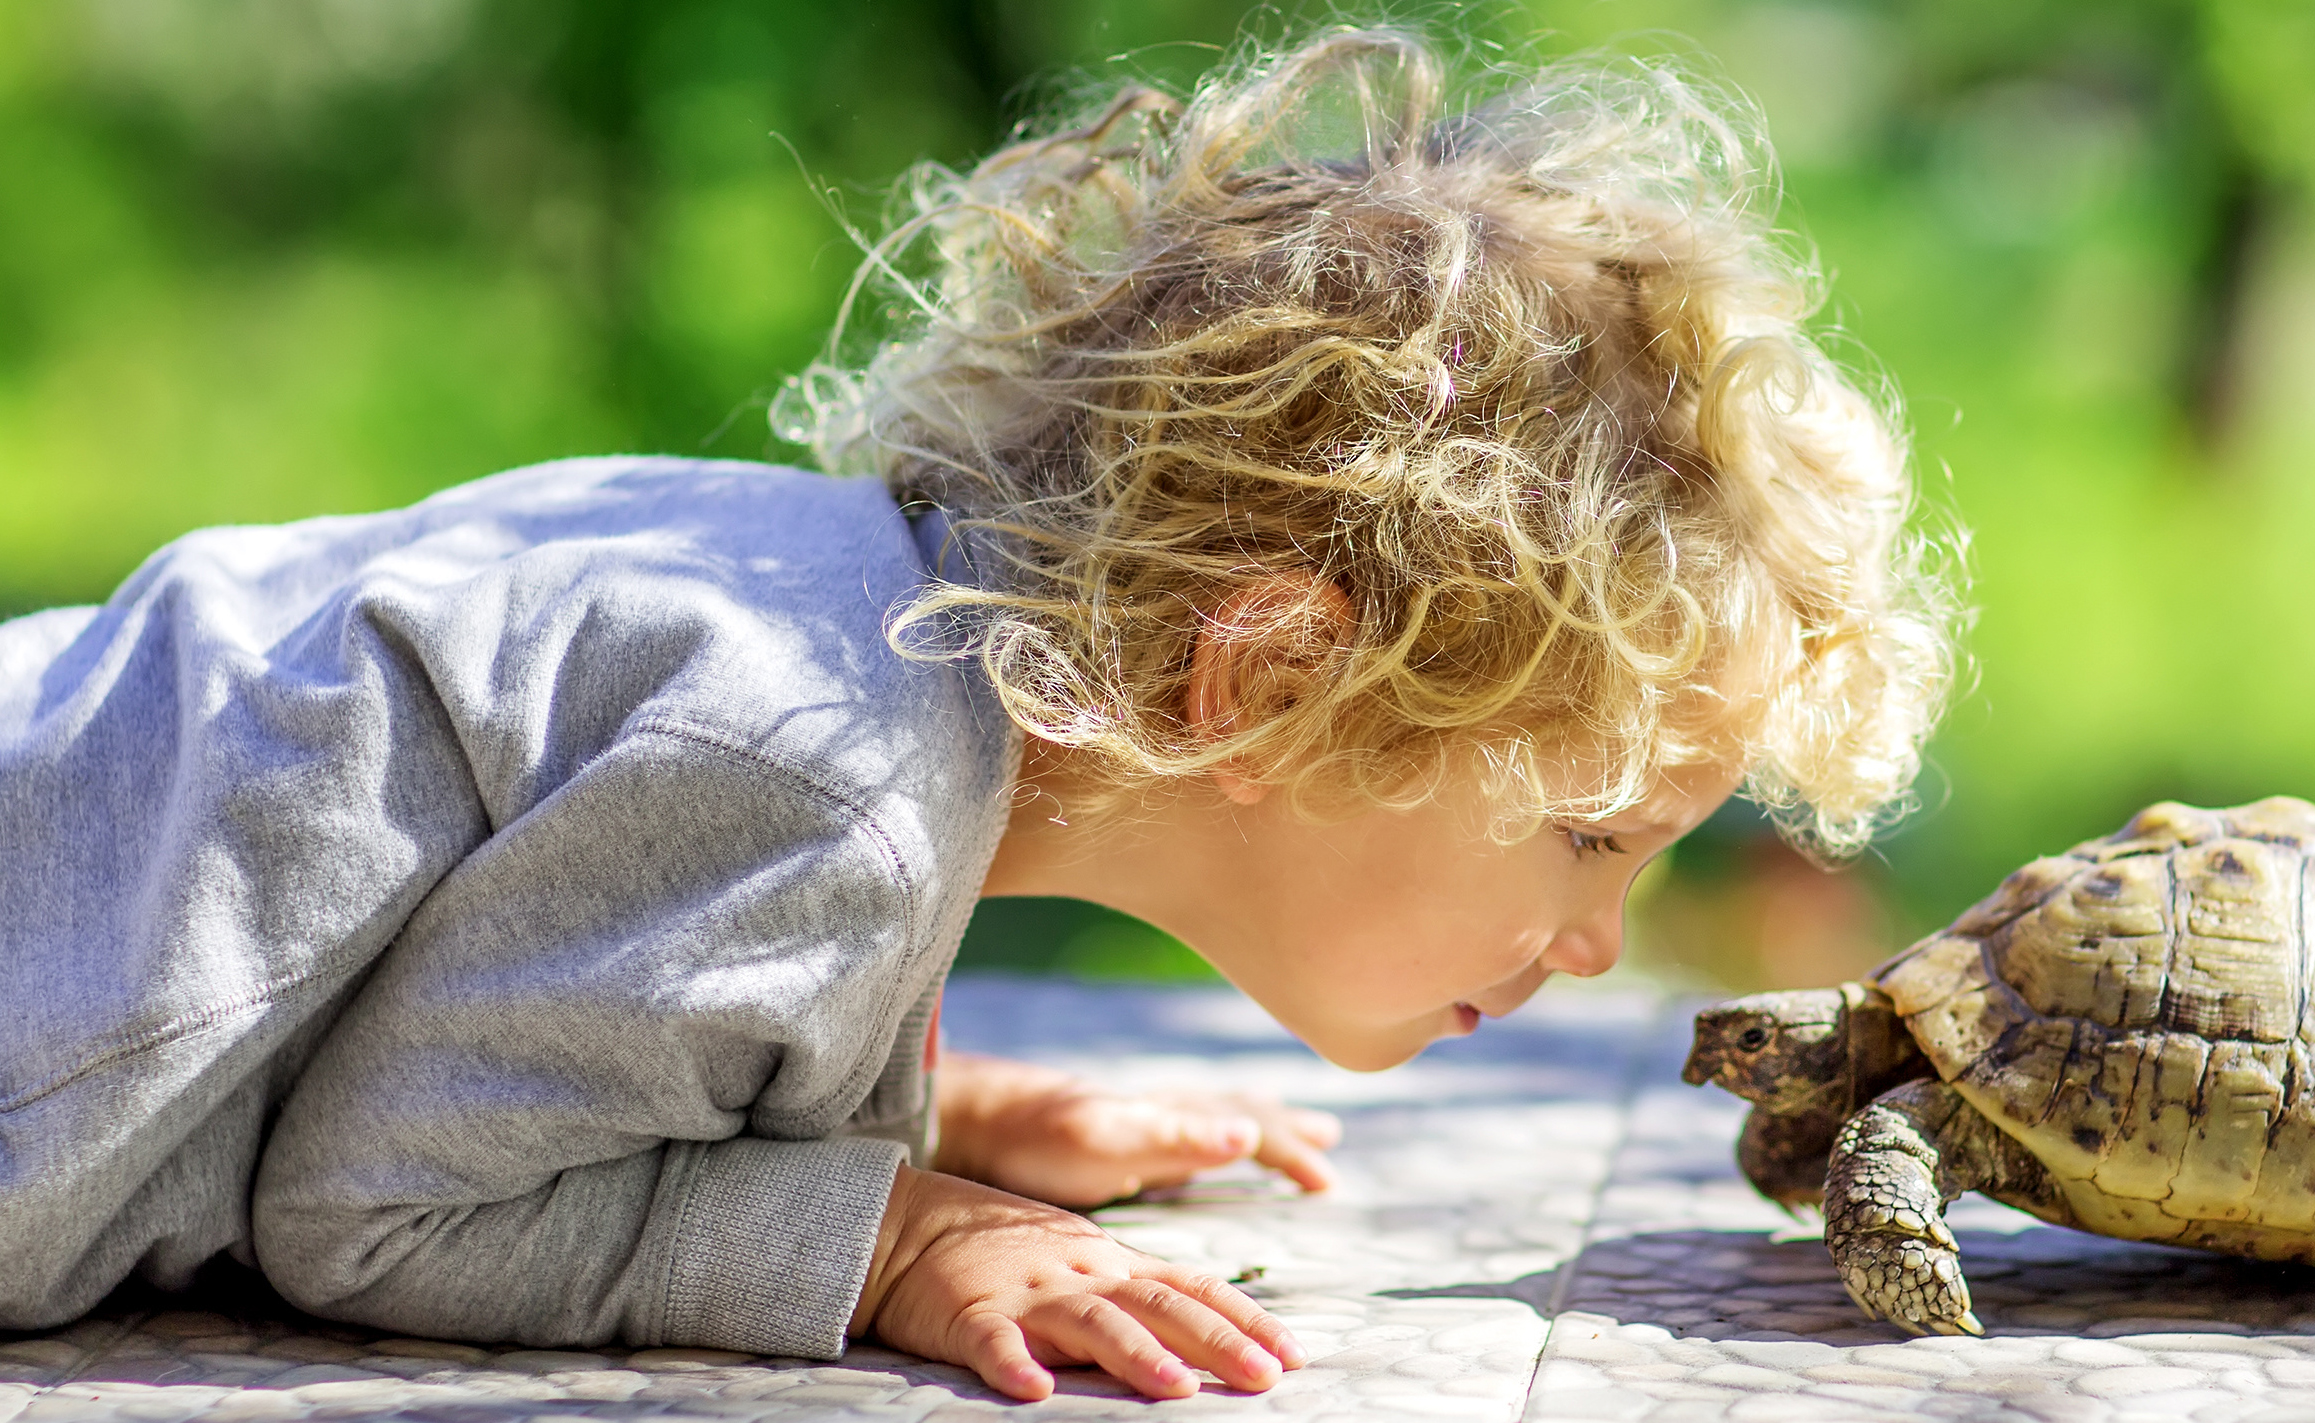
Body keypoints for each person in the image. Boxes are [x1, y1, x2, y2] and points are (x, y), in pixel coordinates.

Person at [0, 26, 1960, 1404]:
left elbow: (511, 1005)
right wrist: (897, 1232)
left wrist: (910, 1106)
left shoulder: (834, 635)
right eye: (1591, 834)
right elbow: (378, 1204)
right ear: (1272, 683)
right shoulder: (823, 792)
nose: (1599, 938)